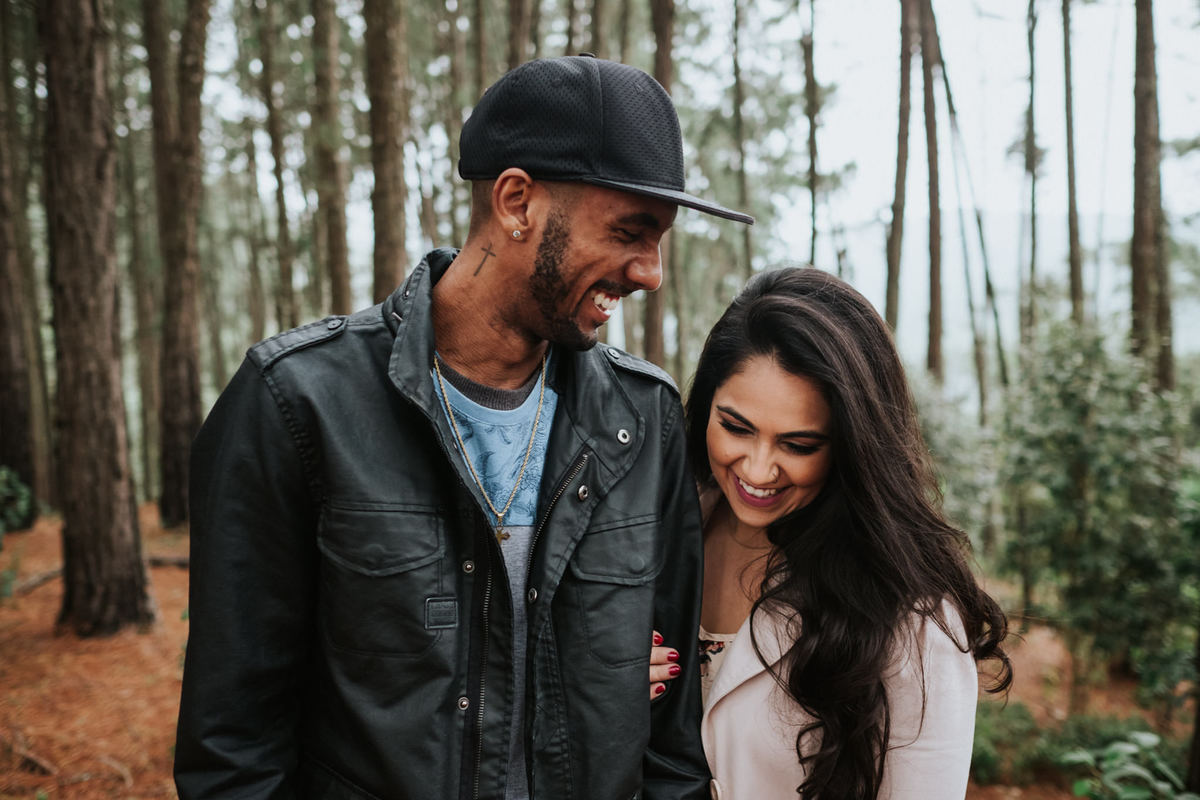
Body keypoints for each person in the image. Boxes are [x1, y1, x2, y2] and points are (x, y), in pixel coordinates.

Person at [174, 55, 752, 800]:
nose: (650, 273)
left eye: (660, 239)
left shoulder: (643, 421)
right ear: (517, 201)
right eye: (630, 231)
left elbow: (672, 747)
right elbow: (233, 749)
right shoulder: (296, 403)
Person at [648, 268, 1011, 799]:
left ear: (850, 446)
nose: (757, 468)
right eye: (736, 427)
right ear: (706, 407)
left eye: (798, 445)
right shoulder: (646, 534)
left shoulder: (913, 618)